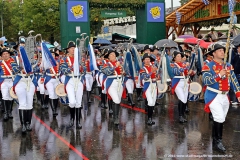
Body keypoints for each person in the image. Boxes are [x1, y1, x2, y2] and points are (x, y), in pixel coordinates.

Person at [202, 43, 240, 152]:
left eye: (223, 50)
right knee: (219, 117)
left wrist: (238, 94)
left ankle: (215, 140)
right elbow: (206, 81)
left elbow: (234, 81)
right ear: (213, 53)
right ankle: (218, 141)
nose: (222, 52)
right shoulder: (207, 66)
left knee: (221, 118)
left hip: (225, 97)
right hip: (213, 95)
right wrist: (219, 75)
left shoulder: (228, 65)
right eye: (219, 50)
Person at [60, 41, 84, 129]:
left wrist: (81, 68)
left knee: (78, 102)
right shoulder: (64, 59)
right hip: (70, 80)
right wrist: (72, 67)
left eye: (74, 48)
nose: (73, 50)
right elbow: (63, 69)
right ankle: (71, 119)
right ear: (68, 50)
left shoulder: (80, 59)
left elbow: (84, 68)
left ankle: (77, 122)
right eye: (71, 49)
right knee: (72, 101)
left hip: (79, 80)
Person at [101, 49, 123, 125]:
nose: (113, 56)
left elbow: (123, 72)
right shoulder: (106, 64)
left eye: (114, 54)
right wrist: (115, 67)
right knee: (116, 99)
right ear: (108, 57)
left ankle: (116, 115)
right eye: (111, 55)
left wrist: (124, 72)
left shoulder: (120, 63)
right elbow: (107, 72)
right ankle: (116, 118)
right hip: (111, 83)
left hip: (120, 83)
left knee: (118, 100)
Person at [171, 51, 193, 123]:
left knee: (185, 99)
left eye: (180, 56)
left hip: (185, 82)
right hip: (178, 82)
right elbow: (176, 72)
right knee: (181, 98)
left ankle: (182, 115)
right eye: (178, 56)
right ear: (174, 58)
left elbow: (186, 73)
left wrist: (190, 71)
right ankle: (180, 116)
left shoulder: (183, 64)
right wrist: (184, 67)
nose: (180, 57)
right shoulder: (173, 64)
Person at [139, 53, 157, 125]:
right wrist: (151, 72)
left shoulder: (154, 67)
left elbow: (157, 76)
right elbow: (145, 77)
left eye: (148, 59)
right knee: (150, 101)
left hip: (154, 85)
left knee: (153, 102)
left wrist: (158, 75)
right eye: (146, 59)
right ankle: (149, 119)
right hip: (147, 85)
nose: (147, 60)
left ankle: (151, 118)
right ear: (143, 61)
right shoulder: (142, 69)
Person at [0, 47, 15, 121]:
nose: (5, 55)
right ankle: (6, 112)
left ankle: (10, 112)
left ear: (9, 55)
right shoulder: (0, 63)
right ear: (2, 56)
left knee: (11, 96)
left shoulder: (14, 62)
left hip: (12, 81)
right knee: (5, 96)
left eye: (7, 54)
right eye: (4, 54)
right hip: (4, 81)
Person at [44, 49, 60, 116]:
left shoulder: (58, 62)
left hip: (56, 79)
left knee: (56, 95)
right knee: (51, 94)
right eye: (51, 54)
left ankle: (55, 109)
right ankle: (53, 110)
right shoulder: (46, 62)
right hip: (49, 79)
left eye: (53, 54)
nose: (52, 55)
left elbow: (61, 71)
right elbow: (42, 70)